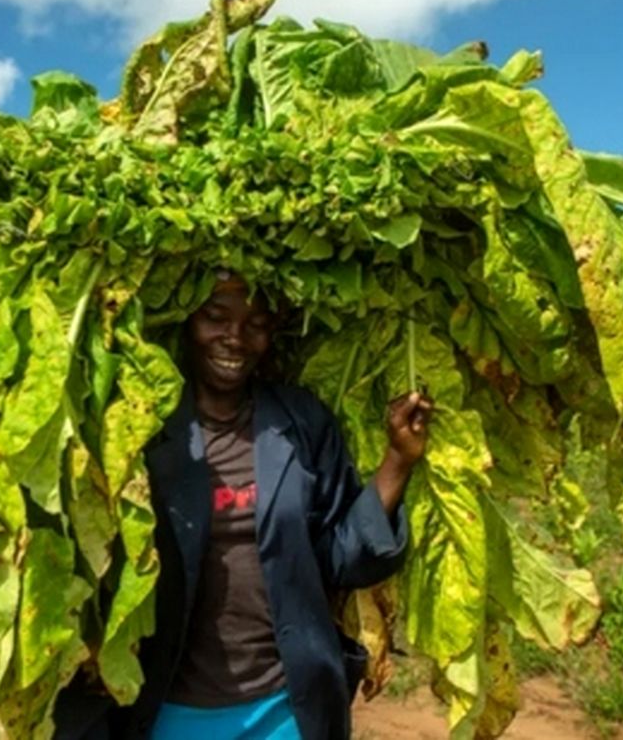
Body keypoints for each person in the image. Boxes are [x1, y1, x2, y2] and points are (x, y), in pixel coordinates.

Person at [55, 272, 433, 740]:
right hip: (166, 708)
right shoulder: (136, 429)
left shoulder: (300, 421)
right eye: (216, 317)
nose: (235, 338)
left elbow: (341, 557)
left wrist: (397, 460)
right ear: (185, 321)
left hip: (283, 710)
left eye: (255, 323)